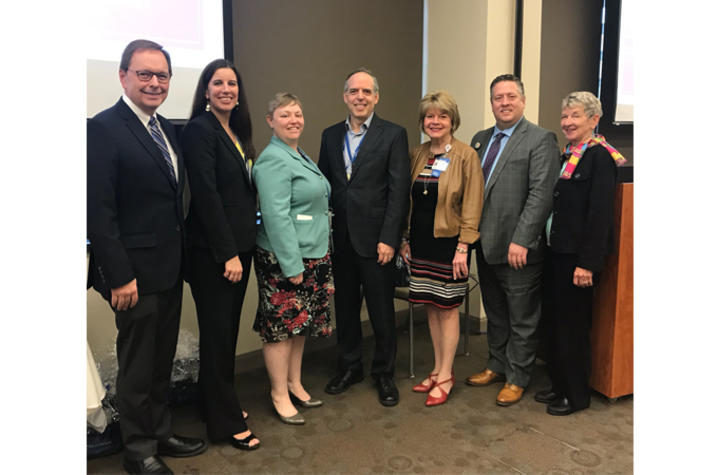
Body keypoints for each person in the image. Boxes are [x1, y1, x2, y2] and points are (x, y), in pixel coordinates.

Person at [87, 39, 206, 475]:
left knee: (161, 361)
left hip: (169, 269)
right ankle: (138, 451)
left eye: (162, 75)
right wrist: (118, 275)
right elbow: (99, 213)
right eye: (145, 74)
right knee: (137, 367)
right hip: (133, 276)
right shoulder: (103, 128)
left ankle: (159, 432)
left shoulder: (166, 129)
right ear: (123, 76)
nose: (155, 83)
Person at [465, 74, 560, 407]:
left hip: (518, 249)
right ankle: (496, 364)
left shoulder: (539, 139)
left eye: (510, 96)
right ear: (491, 102)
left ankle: (518, 376)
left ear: (523, 100)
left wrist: (522, 239)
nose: (503, 102)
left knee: (522, 316)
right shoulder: (479, 140)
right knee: (496, 312)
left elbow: (541, 194)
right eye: (497, 97)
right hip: (486, 245)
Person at [318, 68, 410, 406]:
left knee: (381, 311)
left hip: (377, 242)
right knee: (345, 309)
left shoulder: (393, 134)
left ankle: (384, 374)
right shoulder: (329, 136)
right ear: (345, 97)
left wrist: (390, 238)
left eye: (366, 92)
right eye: (354, 91)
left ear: (376, 97)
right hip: (340, 240)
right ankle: (349, 366)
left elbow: (398, 192)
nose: (360, 97)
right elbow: (323, 187)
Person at [181, 59, 260, 449]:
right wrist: (227, 253)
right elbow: (208, 196)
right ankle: (224, 424)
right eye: (218, 83)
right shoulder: (199, 130)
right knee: (217, 334)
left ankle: (213, 404)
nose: (227, 89)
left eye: (233, 83)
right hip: (214, 253)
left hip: (239, 248)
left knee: (226, 333)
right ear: (206, 90)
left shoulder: (236, 133)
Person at [535, 91, 623, 416]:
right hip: (556, 252)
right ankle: (559, 384)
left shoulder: (599, 157)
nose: (568, 122)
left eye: (575, 116)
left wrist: (588, 263)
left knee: (572, 327)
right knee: (555, 322)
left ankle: (576, 395)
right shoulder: (569, 153)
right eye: (565, 116)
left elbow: (599, 215)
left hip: (577, 260)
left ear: (594, 119)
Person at [253, 93, 334, 425]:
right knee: (280, 330)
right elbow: (276, 216)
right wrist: (291, 265)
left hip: (312, 251)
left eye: (298, 114)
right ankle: (279, 394)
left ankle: (294, 382)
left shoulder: (297, 154)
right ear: (270, 121)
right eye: (285, 115)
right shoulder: (273, 159)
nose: (294, 120)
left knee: (300, 325)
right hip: (286, 258)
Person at [399, 91, 484, 406]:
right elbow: (408, 202)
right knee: (432, 307)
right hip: (420, 244)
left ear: (452, 120)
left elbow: (473, 203)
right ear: (423, 121)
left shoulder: (465, 156)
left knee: (448, 311)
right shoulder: (417, 154)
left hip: (450, 245)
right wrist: (404, 238)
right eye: (429, 116)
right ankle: (436, 368)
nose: (435, 121)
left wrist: (464, 246)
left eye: (442, 116)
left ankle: (447, 374)